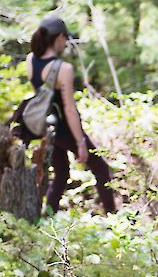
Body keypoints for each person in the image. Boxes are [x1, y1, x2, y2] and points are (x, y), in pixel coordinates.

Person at [26, 16, 117, 215]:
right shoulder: (63, 69)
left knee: (61, 174)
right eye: (65, 38)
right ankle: (113, 217)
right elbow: (69, 108)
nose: (66, 43)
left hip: (46, 127)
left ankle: (48, 217)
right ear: (58, 37)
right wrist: (80, 142)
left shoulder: (31, 60)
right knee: (101, 169)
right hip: (65, 129)